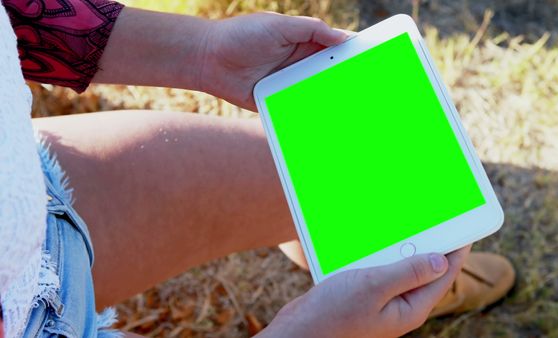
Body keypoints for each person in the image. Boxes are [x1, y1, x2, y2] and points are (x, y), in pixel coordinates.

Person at [0, 0, 515, 337]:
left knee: (331, 170)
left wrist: (201, 53)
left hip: (36, 192)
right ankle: (366, 272)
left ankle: (344, 247)